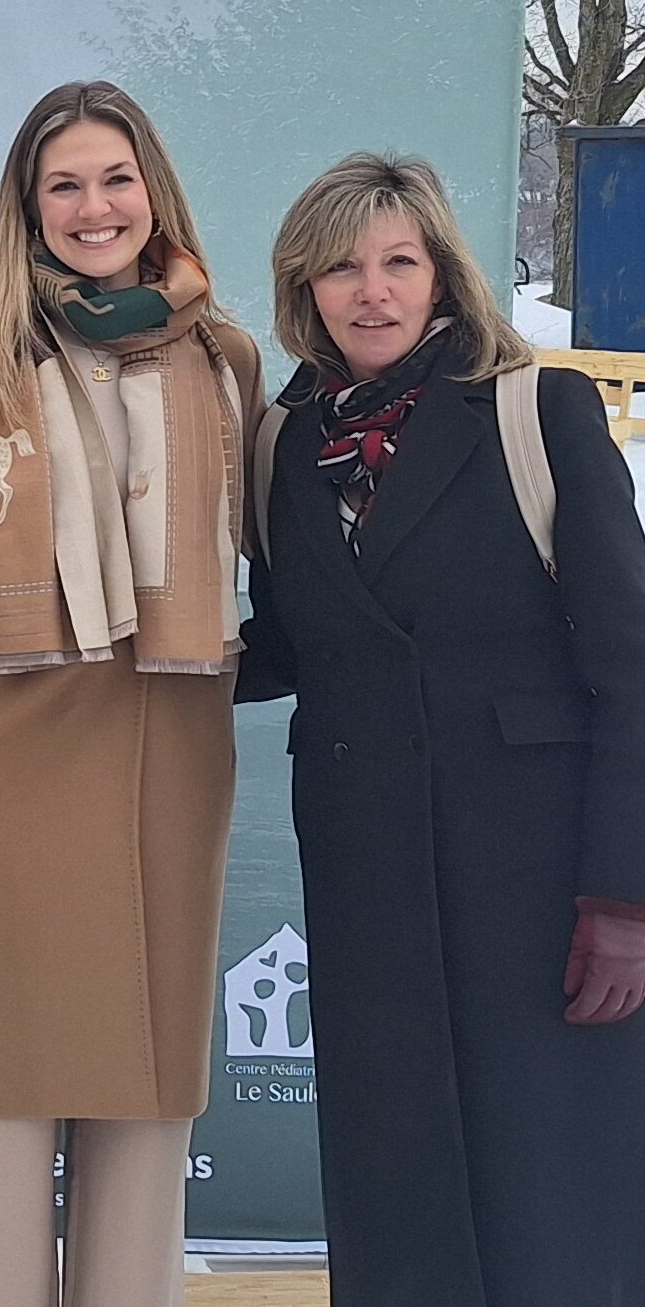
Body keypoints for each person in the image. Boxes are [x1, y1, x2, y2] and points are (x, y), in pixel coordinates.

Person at [0, 79, 261, 1307]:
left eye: (115, 178)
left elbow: (289, 551)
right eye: (66, 184)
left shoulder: (225, 356)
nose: (95, 206)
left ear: (154, 192)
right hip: (8, 774)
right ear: (28, 208)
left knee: (146, 1101)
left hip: (168, 765)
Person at [238, 153, 645, 1307]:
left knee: (555, 1189)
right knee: (394, 1177)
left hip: (541, 881)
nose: (372, 292)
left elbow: (632, 667)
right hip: (370, 873)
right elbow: (294, 643)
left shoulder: (537, 411)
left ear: (443, 278)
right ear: (303, 290)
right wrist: (141, 660)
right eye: (340, 269)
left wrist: (625, 899)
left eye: (398, 262)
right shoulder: (282, 444)